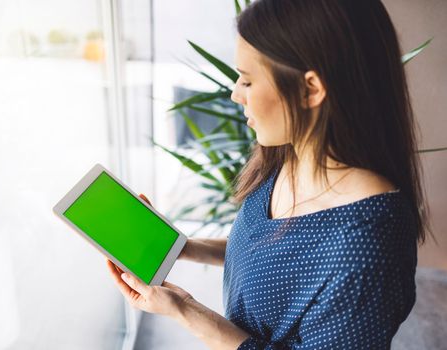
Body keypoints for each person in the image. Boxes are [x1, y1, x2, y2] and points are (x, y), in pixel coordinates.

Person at [106, 0, 431, 348]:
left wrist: (184, 309)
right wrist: (183, 247)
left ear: (311, 89)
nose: (234, 94)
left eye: (246, 80)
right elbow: (277, 256)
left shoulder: (367, 245)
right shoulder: (289, 156)